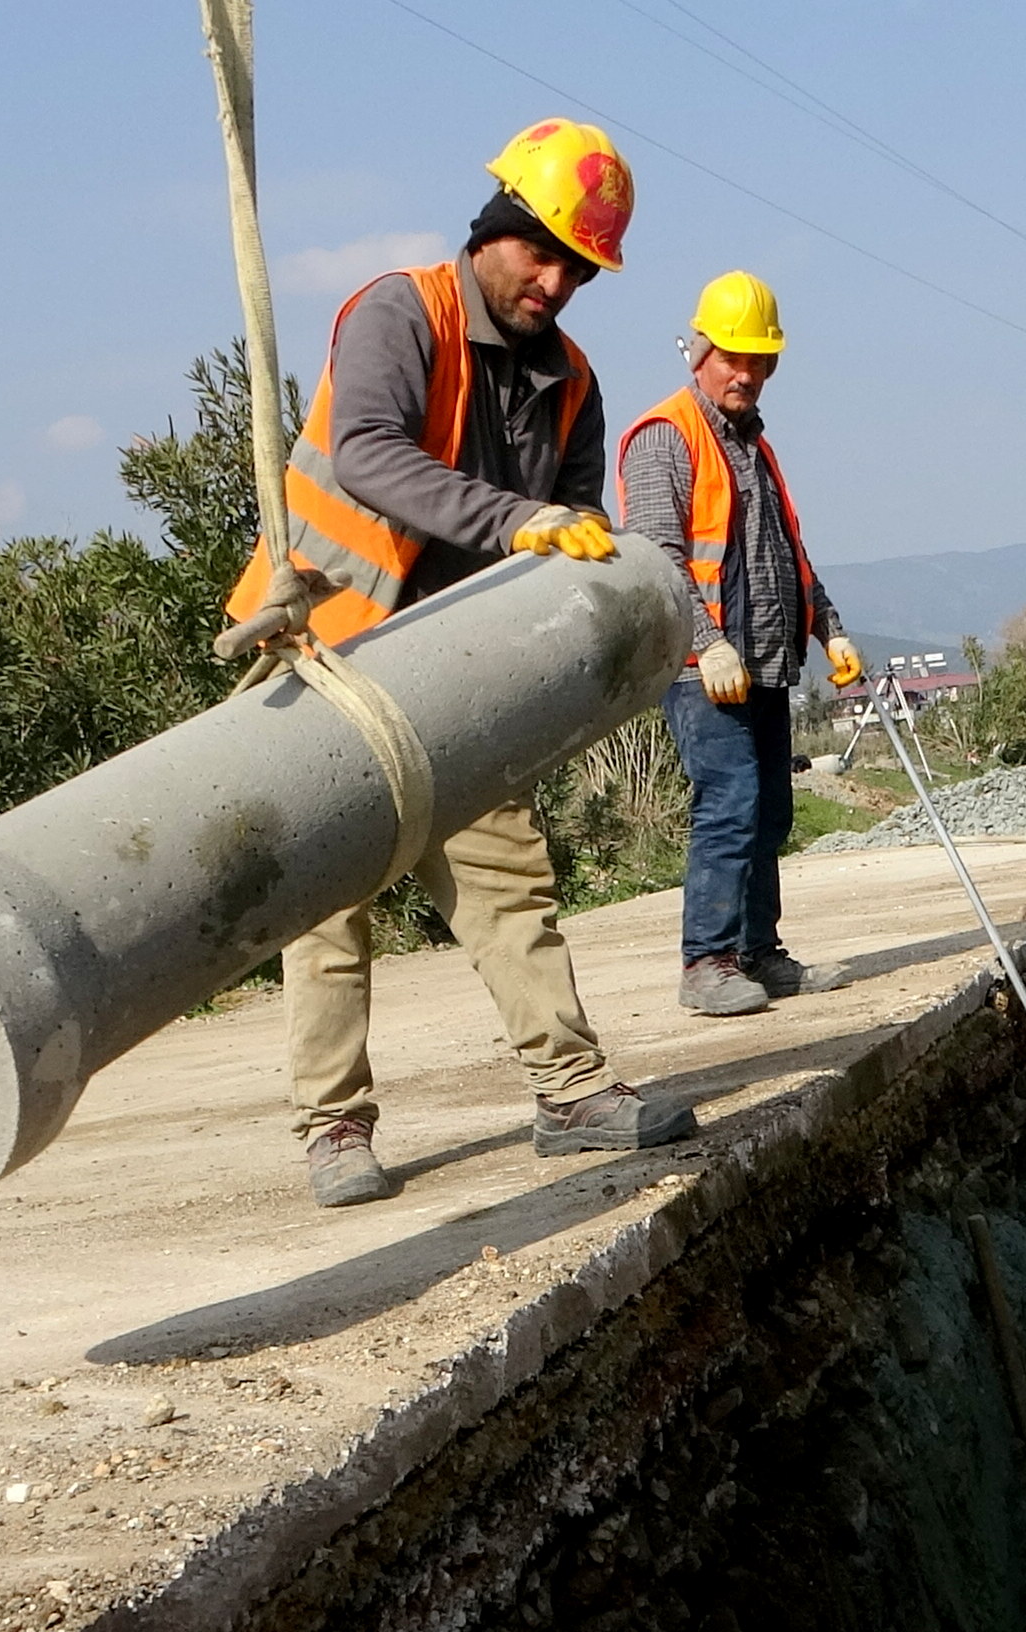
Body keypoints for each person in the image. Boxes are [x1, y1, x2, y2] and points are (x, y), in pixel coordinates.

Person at [225, 118, 695, 1209]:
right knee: (324, 900)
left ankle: (569, 1091)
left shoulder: (570, 380)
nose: (555, 282)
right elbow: (370, 453)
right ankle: (334, 1125)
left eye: (577, 269)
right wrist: (521, 521)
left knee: (507, 879)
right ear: (495, 229)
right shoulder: (401, 310)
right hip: (330, 645)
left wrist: (573, 564)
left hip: (461, 669)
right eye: (542, 254)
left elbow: (572, 525)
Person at [619, 270, 861, 1018]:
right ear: (700, 350)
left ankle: (759, 952)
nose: (748, 373)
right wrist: (706, 643)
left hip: (764, 662)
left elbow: (787, 551)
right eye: (734, 357)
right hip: (703, 669)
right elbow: (658, 557)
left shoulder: (754, 445)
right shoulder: (665, 438)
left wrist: (828, 625)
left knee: (772, 812)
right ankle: (707, 961)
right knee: (730, 803)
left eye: (760, 361)